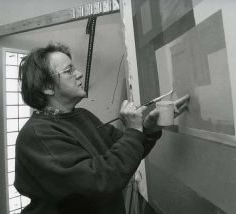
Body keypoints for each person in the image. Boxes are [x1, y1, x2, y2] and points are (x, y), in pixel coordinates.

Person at [14, 42, 189, 214]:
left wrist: (147, 129)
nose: (79, 74)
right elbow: (99, 182)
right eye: (68, 71)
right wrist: (134, 131)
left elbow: (124, 155)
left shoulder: (82, 115)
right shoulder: (37, 136)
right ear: (47, 87)